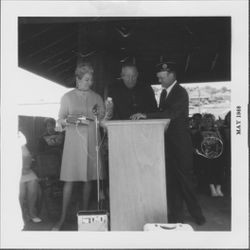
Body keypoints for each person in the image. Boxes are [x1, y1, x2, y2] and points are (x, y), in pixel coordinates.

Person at [131, 61, 206, 225]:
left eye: (162, 78)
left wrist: (146, 116)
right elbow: (161, 113)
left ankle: (197, 215)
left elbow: (170, 114)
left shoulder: (180, 93)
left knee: (186, 180)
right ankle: (175, 215)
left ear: (172, 75)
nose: (160, 81)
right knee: (171, 181)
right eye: (158, 78)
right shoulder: (164, 93)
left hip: (180, 144)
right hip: (167, 144)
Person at [52, 62, 105, 230]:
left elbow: (103, 121)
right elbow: (59, 121)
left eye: (91, 80)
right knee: (69, 180)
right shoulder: (67, 97)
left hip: (91, 143)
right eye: (87, 80)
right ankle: (61, 219)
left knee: (88, 180)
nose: (90, 83)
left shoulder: (97, 97)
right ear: (78, 79)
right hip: (73, 144)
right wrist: (74, 119)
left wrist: (108, 112)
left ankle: (83, 215)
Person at [193, 114, 225, 197]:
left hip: (218, 154)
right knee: (209, 170)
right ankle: (212, 189)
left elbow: (222, 141)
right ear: (203, 122)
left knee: (219, 170)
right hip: (206, 155)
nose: (208, 123)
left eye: (210, 121)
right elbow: (197, 144)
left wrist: (217, 131)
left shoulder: (217, 131)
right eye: (206, 121)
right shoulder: (199, 132)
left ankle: (218, 188)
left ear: (212, 122)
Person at [19, 131, 42, 225]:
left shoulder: (19, 135)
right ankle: (20, 214)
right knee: (21, 191)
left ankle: (32, 213)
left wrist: (26, 167)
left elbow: (27, 156)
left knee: (33, 183)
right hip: (12, 171)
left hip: (26, 170)